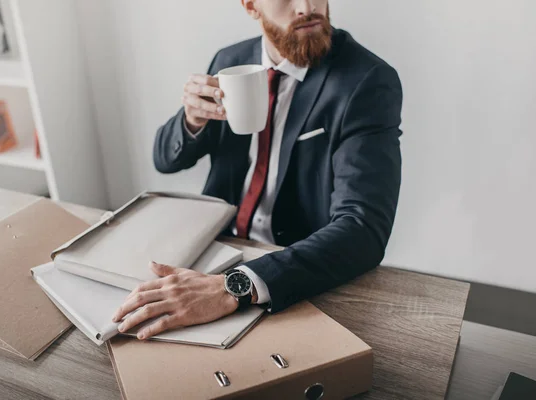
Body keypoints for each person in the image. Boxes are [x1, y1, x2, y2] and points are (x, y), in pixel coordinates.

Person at [113, 0, 403, 340]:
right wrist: (191, 120)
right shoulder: (229, 61)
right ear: (251, 6)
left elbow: (363, 228)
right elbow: (165, 160)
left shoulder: (366, 81)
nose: (308, 7)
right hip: (211, 249)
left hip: (291, 272)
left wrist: (234, 286)